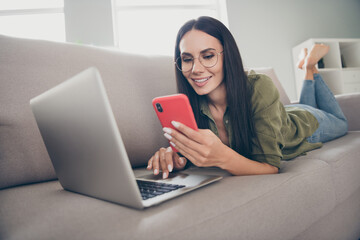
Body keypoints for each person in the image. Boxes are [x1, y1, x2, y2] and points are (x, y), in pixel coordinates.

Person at [147, 16, 348, 179]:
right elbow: (194, 156)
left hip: (304, 124)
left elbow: (270, 168)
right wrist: (175, 157)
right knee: (305, 103)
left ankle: (311, 67)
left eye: (208, 56)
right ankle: (308, 68)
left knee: (341, 122)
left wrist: (222, 156)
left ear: (228, 55)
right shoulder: (189, 106)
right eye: (187, 59)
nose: (195, 69)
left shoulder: (259, 85)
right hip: (277, 115)